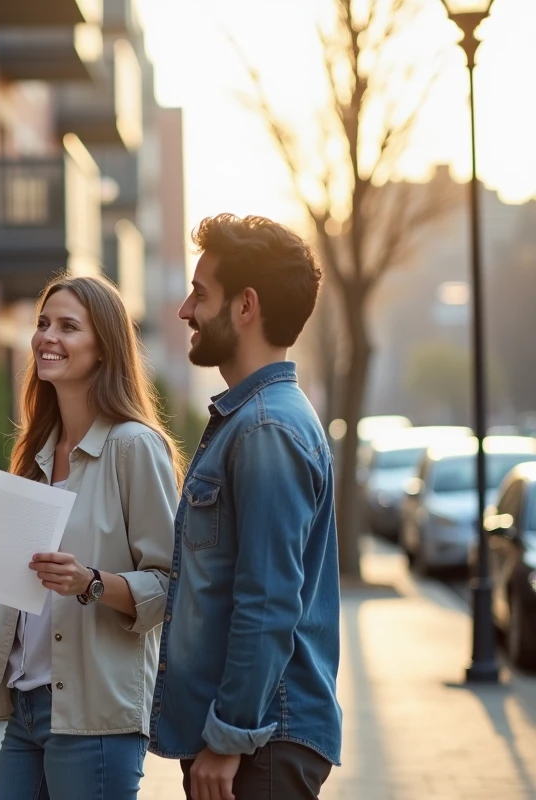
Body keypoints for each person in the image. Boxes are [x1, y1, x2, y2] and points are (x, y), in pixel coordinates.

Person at [0, 275, 181, 799]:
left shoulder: (133, 447)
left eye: (68, 326)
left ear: (104, 349)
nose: (46, 337)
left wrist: (90, 582)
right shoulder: (35, 457)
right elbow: (32, 589)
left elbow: (172, 586)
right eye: (42, 324)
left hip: (94, 717)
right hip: (27, 706)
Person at [149, 213, 342, 800]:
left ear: (245, 307)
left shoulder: (265, 430)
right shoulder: (256, 421)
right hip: (256, 738)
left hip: (259, 742)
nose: (186, 310)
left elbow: (266, 599)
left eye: (200, 294)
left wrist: (229, 737)